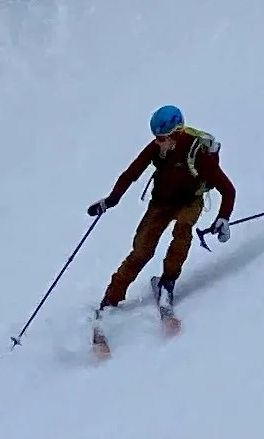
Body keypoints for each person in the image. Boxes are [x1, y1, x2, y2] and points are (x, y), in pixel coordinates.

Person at [91, 107, 236, 311]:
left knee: (182, 231)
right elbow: (131, 173)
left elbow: (228, 190)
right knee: (141, 250)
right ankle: (111, 298)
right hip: (160, 202)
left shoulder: (199, 154)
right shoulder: (156, 148)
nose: (157, 142)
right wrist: (111, 200)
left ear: (175, 134)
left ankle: (167, 282)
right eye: (156, 138)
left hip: (189, 201)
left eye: (161, 138)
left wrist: (224, 218)